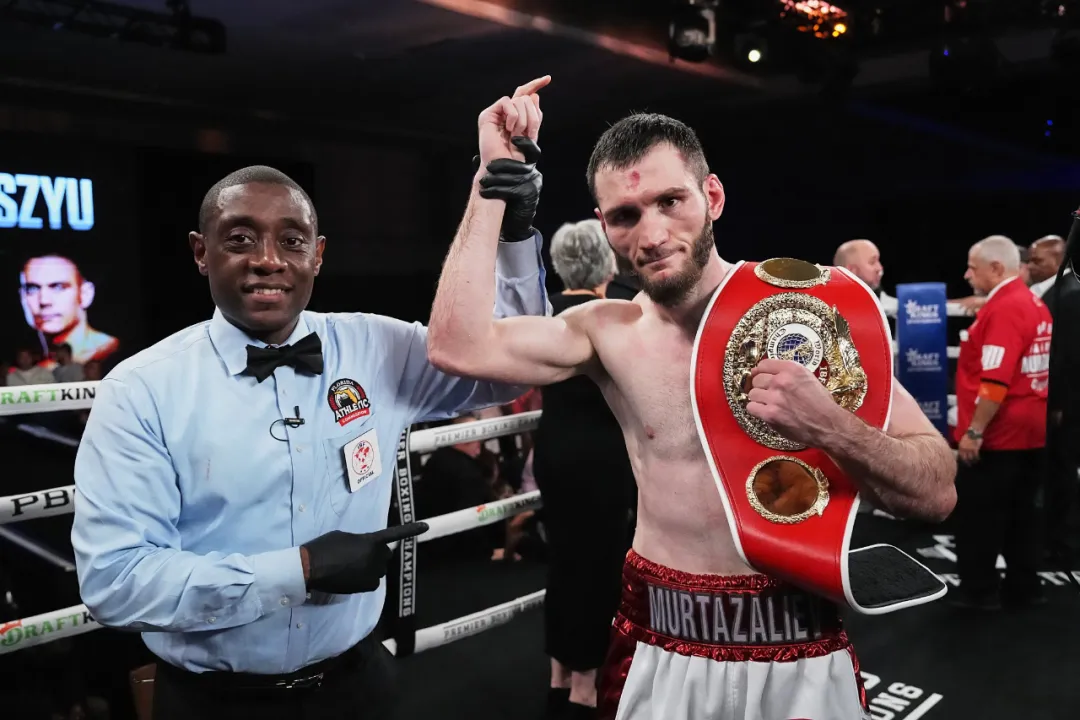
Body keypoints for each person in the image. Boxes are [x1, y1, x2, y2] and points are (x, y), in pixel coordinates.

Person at [427, 108, 957, 719]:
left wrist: (831, 426)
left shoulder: (807, 319)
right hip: (659, 639)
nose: (651, 234)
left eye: (670, 201)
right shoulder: (606, 332)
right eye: (626, 215)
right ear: (605, 227)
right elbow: (456, 346)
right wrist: (490, 185)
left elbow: (936, 492)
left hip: (797, 637)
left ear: (713, 197)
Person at [70, 79, 552, 720]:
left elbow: (509, 369)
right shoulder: (142, 390)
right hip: (215, 703)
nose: (268, 260)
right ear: (200, 253)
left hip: (360, 684)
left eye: (292, 241)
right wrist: (296, 569)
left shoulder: (376, 347)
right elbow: (114, 581)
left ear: (318, 256)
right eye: (240, 239)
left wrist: (511, 234)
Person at [531, 218, 635, 718]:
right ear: (606, 263)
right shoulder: (613, 314)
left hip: (554, 450)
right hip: (602, 458)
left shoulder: (543, 312)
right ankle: (585, 687)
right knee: (598, 568)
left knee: (564, 562)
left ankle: (559, 675)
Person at [952, 235, 1051, 610]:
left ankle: (979, 591)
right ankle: (1025, 587)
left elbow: (995, 382)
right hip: (1031, 428)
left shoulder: (1006, 309)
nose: (967, 275)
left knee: (980, 516)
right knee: (1023, 514)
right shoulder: (1033, 303)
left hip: (1000, 433)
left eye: (972, 267)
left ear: (995, 268)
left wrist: (974, 431)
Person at [19, 254, 119, 365]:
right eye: (32, 289)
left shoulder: (111, 353)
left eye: (58, 287)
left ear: (85, 294)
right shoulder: (28, 365)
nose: (44, 300)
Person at [833, 239, 894, 314]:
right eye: (872, 262)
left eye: (878, 261)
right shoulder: (830, 310)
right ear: (851, 270)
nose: (879, 268)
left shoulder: (892, 307)